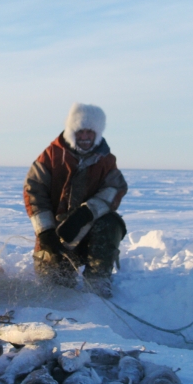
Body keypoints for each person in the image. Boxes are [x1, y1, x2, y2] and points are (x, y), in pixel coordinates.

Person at [23, 103, 128, 298]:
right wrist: (45, 232)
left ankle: (98, 282)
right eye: (81, 132)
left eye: (90, 132)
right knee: (54, 291)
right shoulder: (50, 156)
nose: (85, 137)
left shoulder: (106, 159)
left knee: (111, 222)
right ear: (72, 131)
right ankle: (56, 262)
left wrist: (86, 212)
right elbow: (34, 191)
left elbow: (115, 188)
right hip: (56, 235)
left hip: (88, 232)